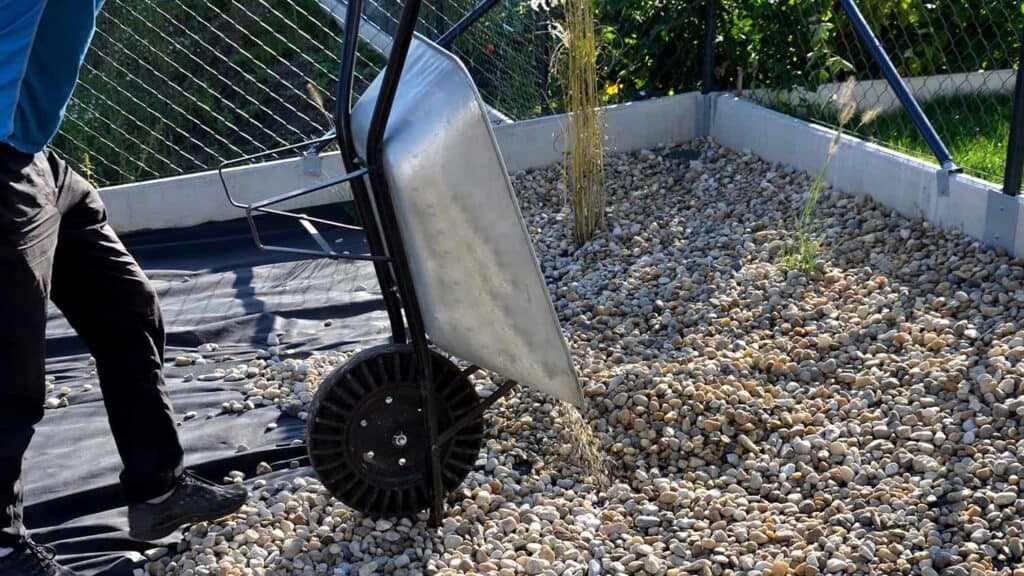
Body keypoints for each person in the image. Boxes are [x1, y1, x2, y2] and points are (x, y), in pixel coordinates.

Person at [0, 2, 248, 574]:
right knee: (8, 374)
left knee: (126, 309)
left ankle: (158, 489)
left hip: (36, 156)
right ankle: (4, 552)